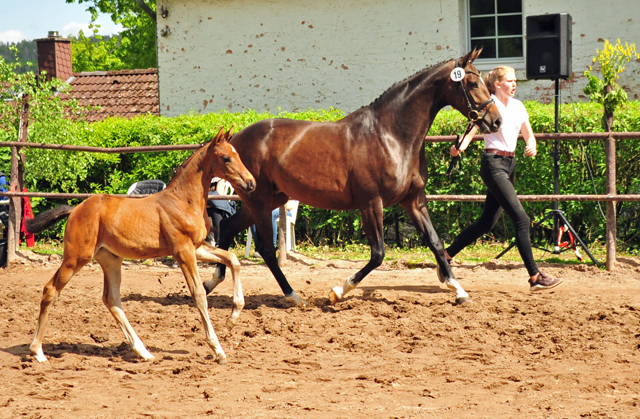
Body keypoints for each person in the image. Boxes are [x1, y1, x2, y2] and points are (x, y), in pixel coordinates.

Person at [445, 66, 562, 292]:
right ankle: (535, 276)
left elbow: (529, 135)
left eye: (515, 80)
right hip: (493, 163)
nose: (514, 83)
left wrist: (531, 145)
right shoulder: (488, 104)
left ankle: (446, 254)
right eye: (510, 80)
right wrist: (459, 148)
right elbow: (471, 131)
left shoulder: (518, 106)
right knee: (521, 219)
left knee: (487, 223)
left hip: (509, 165)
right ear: (497, 84)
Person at [206, 177, 236, 246]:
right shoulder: (205, 178)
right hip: (206, 205)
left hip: (218, 206)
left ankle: (219, 242)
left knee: (216, 211)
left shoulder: (219, 179)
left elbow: (218, 197)